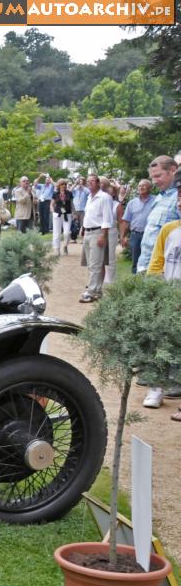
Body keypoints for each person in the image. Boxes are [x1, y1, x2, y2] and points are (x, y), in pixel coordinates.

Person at [144, 184, 181, 418]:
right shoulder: (169, 230)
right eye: (179, 198)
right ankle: (156, 389)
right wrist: (155, 291)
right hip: (170, 297)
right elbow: (157, 263)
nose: (180, 203)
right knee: (161, 343)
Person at [135, 155, 180, 274]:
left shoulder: (178, 197)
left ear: (173, 170)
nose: (154, 181)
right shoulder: (160, 197)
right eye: (152, 177)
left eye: (158, 176)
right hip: (145, 265)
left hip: (163, 271)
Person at [79, 175, 114, 303]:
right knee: (91, 264)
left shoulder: (104, 197)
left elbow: (107, 218)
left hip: (97, 232)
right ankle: (97, 291)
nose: (89, 183)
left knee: (95, 264)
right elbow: (88, 216)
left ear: (98, 183)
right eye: (87, 181)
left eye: (92, 181)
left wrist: (103, 235)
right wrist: (83, 229)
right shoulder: (89, 197)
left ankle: (91, 291)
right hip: (88, 232)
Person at [121, 179, 156, 274]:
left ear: (150, 188)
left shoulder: (156, 201)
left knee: (151, 260)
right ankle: (135, 282)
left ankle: (149, 282)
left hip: (151, 235)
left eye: (144, 185)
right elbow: (126, 221)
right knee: (135, 260)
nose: (141, 187)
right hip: (135, 235)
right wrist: (124, 236)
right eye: (140, 185)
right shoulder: (132, 203)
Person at [51, 178, 74, 255]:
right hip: (57, 214)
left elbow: (72, 204)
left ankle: (65, 246)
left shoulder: (69, 193)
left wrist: (75, 213)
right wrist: (52, 211)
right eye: (62, 184)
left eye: (65, 184)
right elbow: (52, 204)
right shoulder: (55, 194)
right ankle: (57, 249)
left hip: (67, 214)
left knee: (67, 233)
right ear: (59, 185)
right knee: (56, 232)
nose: (64, 186)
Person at [70, 176, 89, 241]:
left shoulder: (86, 189)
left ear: (83, 182)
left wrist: (81, 186)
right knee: (74, 224)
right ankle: (73, 238)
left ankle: (82, 238)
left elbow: (88, 193)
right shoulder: (76, 189)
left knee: (83, 224)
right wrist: (75, 184)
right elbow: (70, 191)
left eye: (81, 181)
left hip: (83, 210)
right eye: (79, 181)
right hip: (76, 209)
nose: (79, 182)